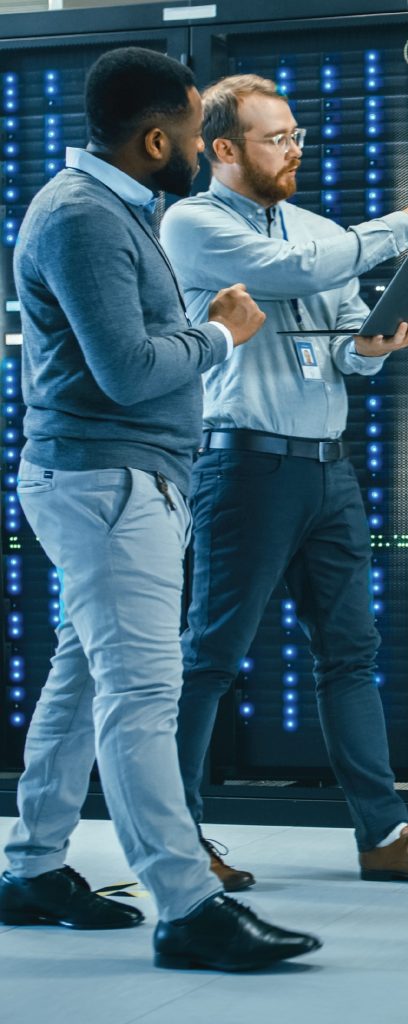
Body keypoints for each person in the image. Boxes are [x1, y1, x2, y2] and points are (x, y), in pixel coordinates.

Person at [0, 49, 320, 972]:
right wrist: (220, 332)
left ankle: (29, 868)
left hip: (116, 481)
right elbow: (130, 373)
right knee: (143, 694)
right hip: (108, 483)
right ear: (154, 139)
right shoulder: (85, 219)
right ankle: (189, 907)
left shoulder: (108, 210)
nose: (199, 150)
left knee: (84, 682)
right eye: (190, 135)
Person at [160, 74, 408, 888]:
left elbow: (333, 330)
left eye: (298, 135)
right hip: (244, 466)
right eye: (277, 138)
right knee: (212, 657)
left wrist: (366, 351)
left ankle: (385, 836)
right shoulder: (193, 223)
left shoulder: (314, 228)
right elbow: (298, 274)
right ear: (223, 150)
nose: (294, 149)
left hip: (327, 469)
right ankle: (179, 838)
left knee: (350, 655)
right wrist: (401, 224)